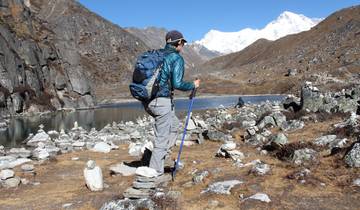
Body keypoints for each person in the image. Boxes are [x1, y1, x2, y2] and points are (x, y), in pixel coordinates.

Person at [143, 30, 200, 176]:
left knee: (174, 125)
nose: (183, 45)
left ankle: (158, 155)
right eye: (183, 43)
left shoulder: (158, 54)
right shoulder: (176, 58)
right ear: (179, 43)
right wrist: (193, 85)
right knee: (162, 137)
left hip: (148, 100)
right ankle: (154, 173)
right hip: (162, 102)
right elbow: (178, 83)